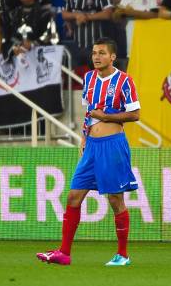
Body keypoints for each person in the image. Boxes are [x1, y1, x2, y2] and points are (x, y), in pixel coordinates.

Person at [37, 37, 140, 267]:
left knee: (115, 199)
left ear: (112, 57)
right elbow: (89, 112)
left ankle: (122, 254)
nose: (96, 57)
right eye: (94, 53)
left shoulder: (124, 81)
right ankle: (64, 253)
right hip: (91, 146)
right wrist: (84, 136)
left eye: (102, 53)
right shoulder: (89, 78)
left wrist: (106, 117)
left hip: (113, 145)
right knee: (73, 197)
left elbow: (135, 114)